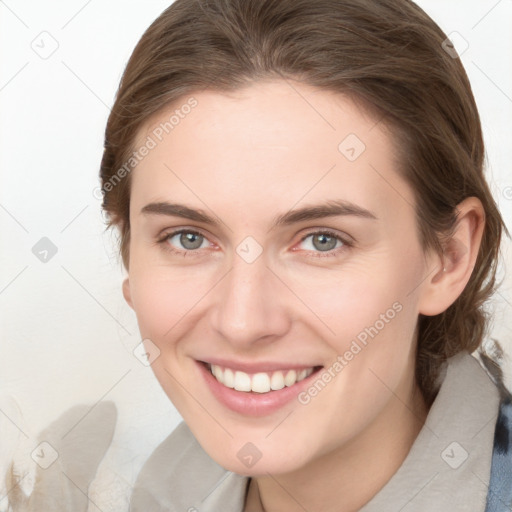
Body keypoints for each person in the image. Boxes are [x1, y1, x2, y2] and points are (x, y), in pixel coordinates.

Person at [98, 0, 511, 510]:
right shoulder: (153, 488)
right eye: (188, 238)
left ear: (448, 257)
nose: (243, 322)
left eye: (323, 240)